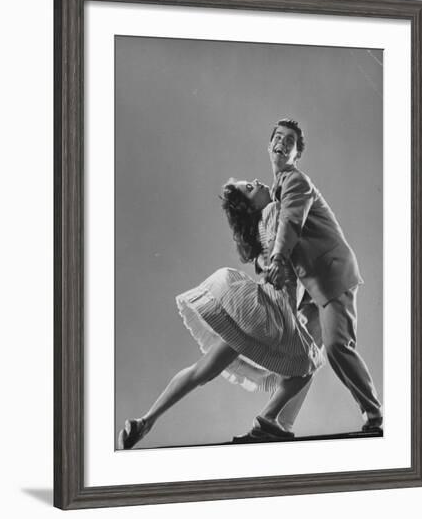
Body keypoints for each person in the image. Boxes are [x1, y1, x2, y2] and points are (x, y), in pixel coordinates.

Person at [118, 178, 324, 450]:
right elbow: (290, 247)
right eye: (250, 188)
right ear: (250, 206)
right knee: (307, 366)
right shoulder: (274, 212)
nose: (257, 182)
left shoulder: (260, 229)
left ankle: (145, 421)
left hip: (256, 310)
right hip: (272, 311)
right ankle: (268, 420)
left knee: (202, 370)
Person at [264, 118, 383, 433]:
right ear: (269, 145)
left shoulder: (295, 181)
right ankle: (278, 423)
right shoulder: (277, 191)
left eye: (290, 141)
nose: (282, 143)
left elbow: (292, 222)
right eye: (278, 137)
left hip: (332, 278)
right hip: (315, 289)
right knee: (298, 355)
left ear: (296, 154)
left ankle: (374, 415)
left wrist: (277, 256)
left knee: (336, 347)